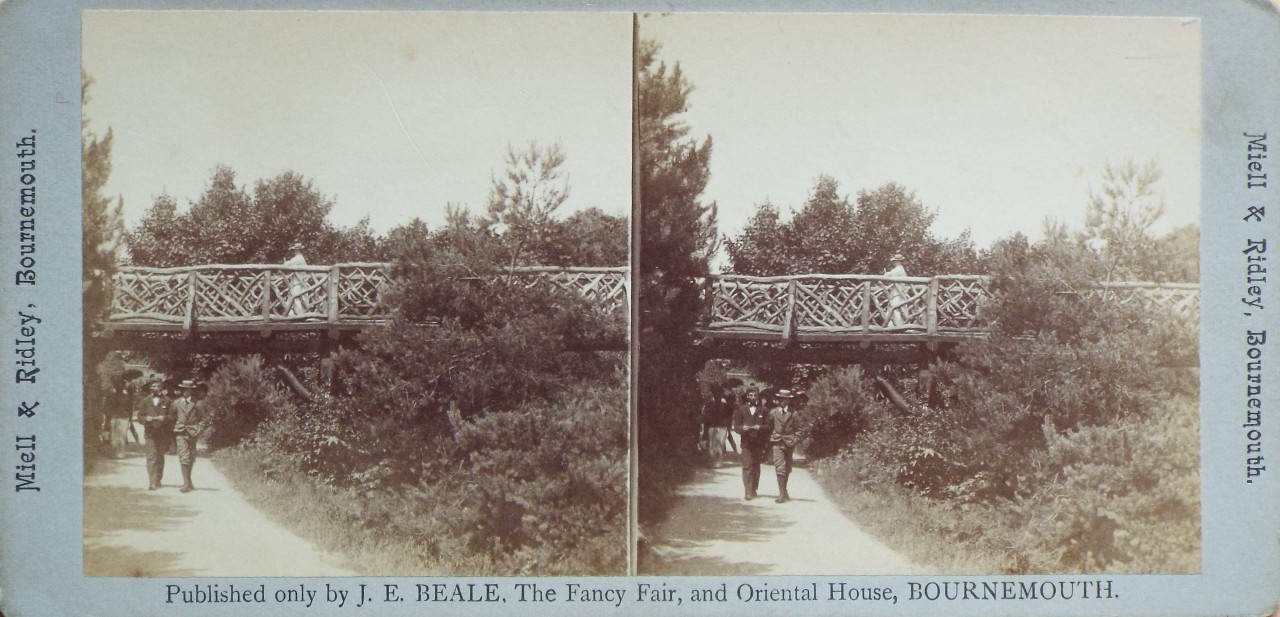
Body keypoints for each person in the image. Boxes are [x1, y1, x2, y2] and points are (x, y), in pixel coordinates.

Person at [733, 387, 771, 500]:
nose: (753, 397)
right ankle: (747, 491)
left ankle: (754, 489)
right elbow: (736, 426)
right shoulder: (741, 409)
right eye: (751, 395)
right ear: (747, 396)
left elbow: (769, 426)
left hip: (759, 443)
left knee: (756, 466)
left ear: (758, 396)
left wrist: (760, 427)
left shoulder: (764, 410)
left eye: (755, 395)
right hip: (746, 442)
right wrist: (742, 428)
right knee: (747, 466)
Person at [172, 380, 209, 493]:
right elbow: (171, 417)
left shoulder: (197, 403)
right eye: (183, 389)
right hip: (180, 432)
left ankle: (188, 479)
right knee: (184, 456)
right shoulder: (176, 403)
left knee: (191, 457)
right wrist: (175, 427)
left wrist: (198, 430)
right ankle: (185, 483)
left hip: (193, 433)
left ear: (191, 390)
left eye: (187, 389)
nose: (185, 391)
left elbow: (204, 419)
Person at [136, 382, 174, 490]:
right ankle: (151, 482)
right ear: (150, 388)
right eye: (153, 386)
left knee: (160, 457)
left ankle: (158, 479)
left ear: (161, 387)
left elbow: (172, 416)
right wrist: (145, 419)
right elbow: (139, 416)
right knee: (151, 456)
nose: (155, 388)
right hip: (150, 433)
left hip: (163, 433)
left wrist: (165, 418)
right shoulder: (145, 401)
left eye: (157, 386)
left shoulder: (167, 400)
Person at [768, 389, 800, 503]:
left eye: (785, 399)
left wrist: (795, 440)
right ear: (778, 399)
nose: (783, 401)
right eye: (781, 399)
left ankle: (784, 490)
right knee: (779, 467)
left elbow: (798, 429)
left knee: (788, 468)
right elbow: (769, 427)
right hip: (777, 442)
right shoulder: (773, 412)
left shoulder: (794, 413)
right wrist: (770, 439)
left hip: (789, 442)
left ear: (789, 400)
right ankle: (781, 494)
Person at [283, 242, 308, 316]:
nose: (293, 252)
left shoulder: (298, 258)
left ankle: (298, 314)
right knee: (295, 297)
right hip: (299, 281)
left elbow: (287, 265)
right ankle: (293, 314)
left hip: (299, 282)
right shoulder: (300, 258)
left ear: (297, 250)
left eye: (294, 250)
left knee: (295, 297)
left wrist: (285, 262)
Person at [884, 253, 908, 327]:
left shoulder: (899, 269)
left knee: (894, 308)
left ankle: (896, 325)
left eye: (895, 261)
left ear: (898, 262)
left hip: (898, 292)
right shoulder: (899, 269)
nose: (894, 263)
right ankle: (895, 325)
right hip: (899, 292)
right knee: (898, 308)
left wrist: (886, 273)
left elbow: (887, 276)